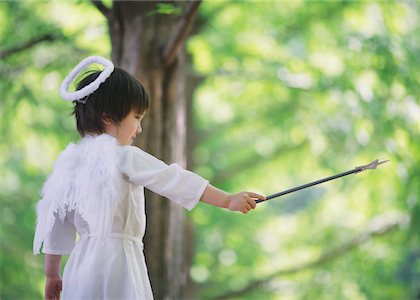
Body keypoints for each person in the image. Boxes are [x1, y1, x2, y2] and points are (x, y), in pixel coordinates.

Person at [33, 56, 265, 300]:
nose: (139, 129)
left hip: (80, 269)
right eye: (136, 118)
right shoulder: (123, 156)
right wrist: (227, 199)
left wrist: (52, 275)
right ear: (108, 117)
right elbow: (171, 179)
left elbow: (55, 222)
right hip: (118, 263)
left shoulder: (69, 165)